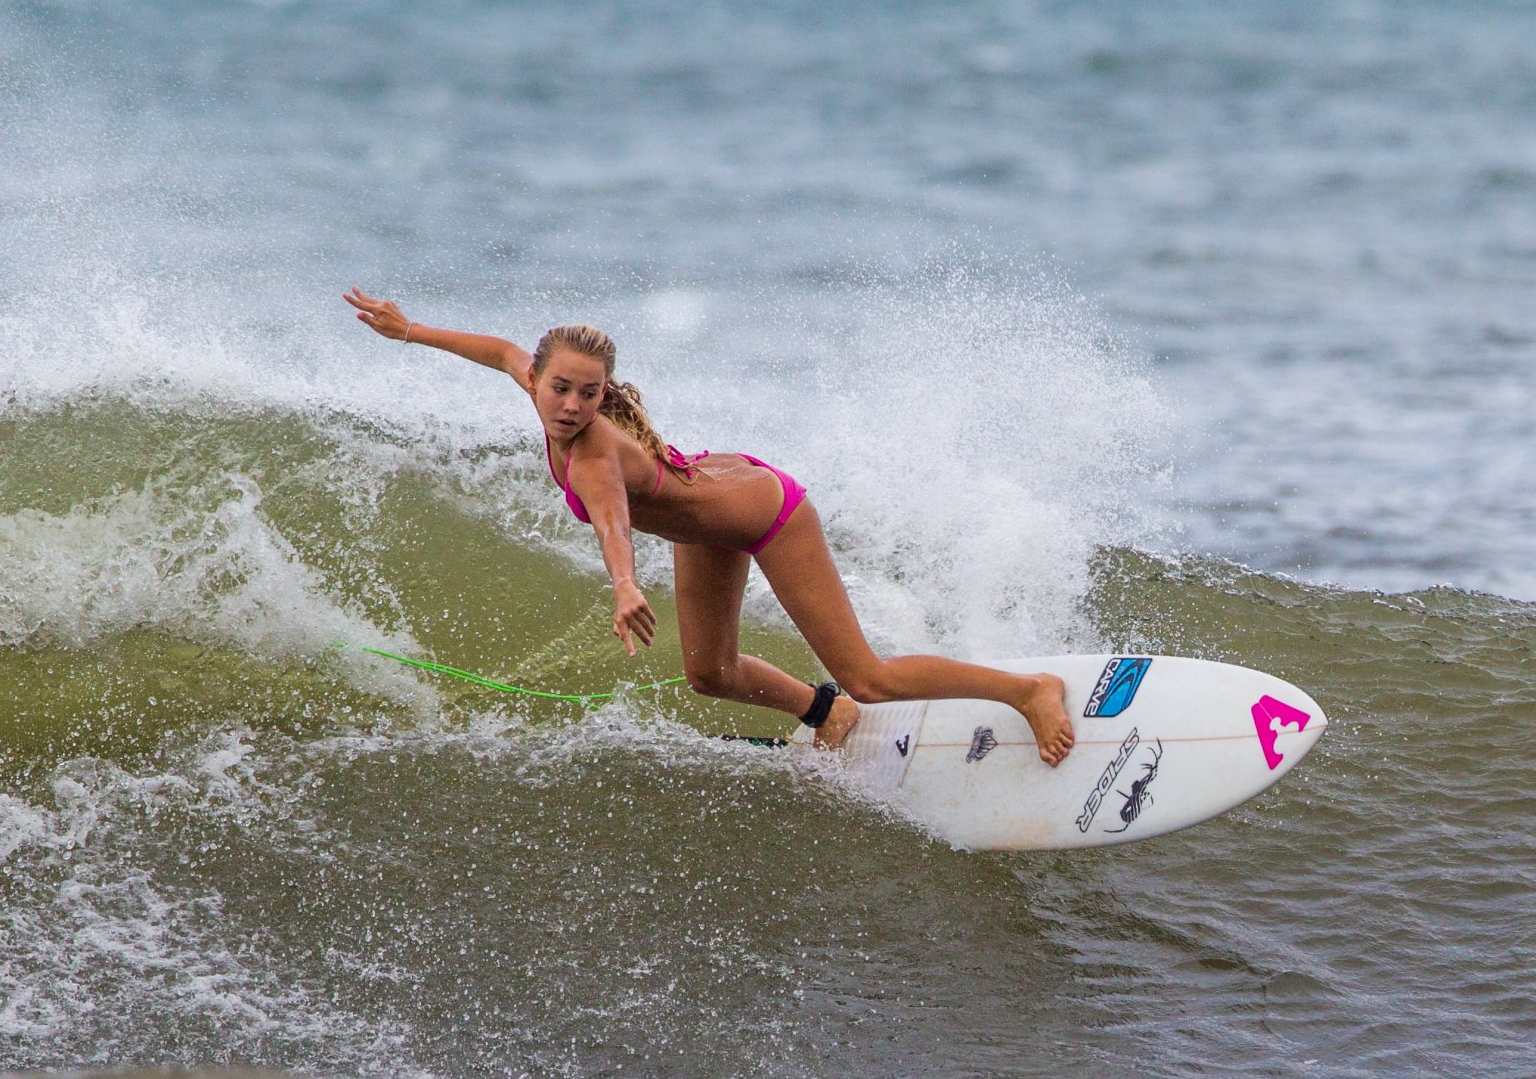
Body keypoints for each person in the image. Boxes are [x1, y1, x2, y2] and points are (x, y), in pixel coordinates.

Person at [343, 288, 1075, 765]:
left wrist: (624, 585)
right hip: (709, 508)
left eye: (588, 394)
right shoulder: (538, 384)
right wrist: (410, 331)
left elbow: (612, 521)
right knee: (709, 673)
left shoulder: (593, 453)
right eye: (559, 386)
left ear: (605, 396)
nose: (569, 405)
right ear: (540, 377)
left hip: (766, 514)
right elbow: (501, 348)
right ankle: (828, 713)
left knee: (871, 673)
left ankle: (1026, 690)